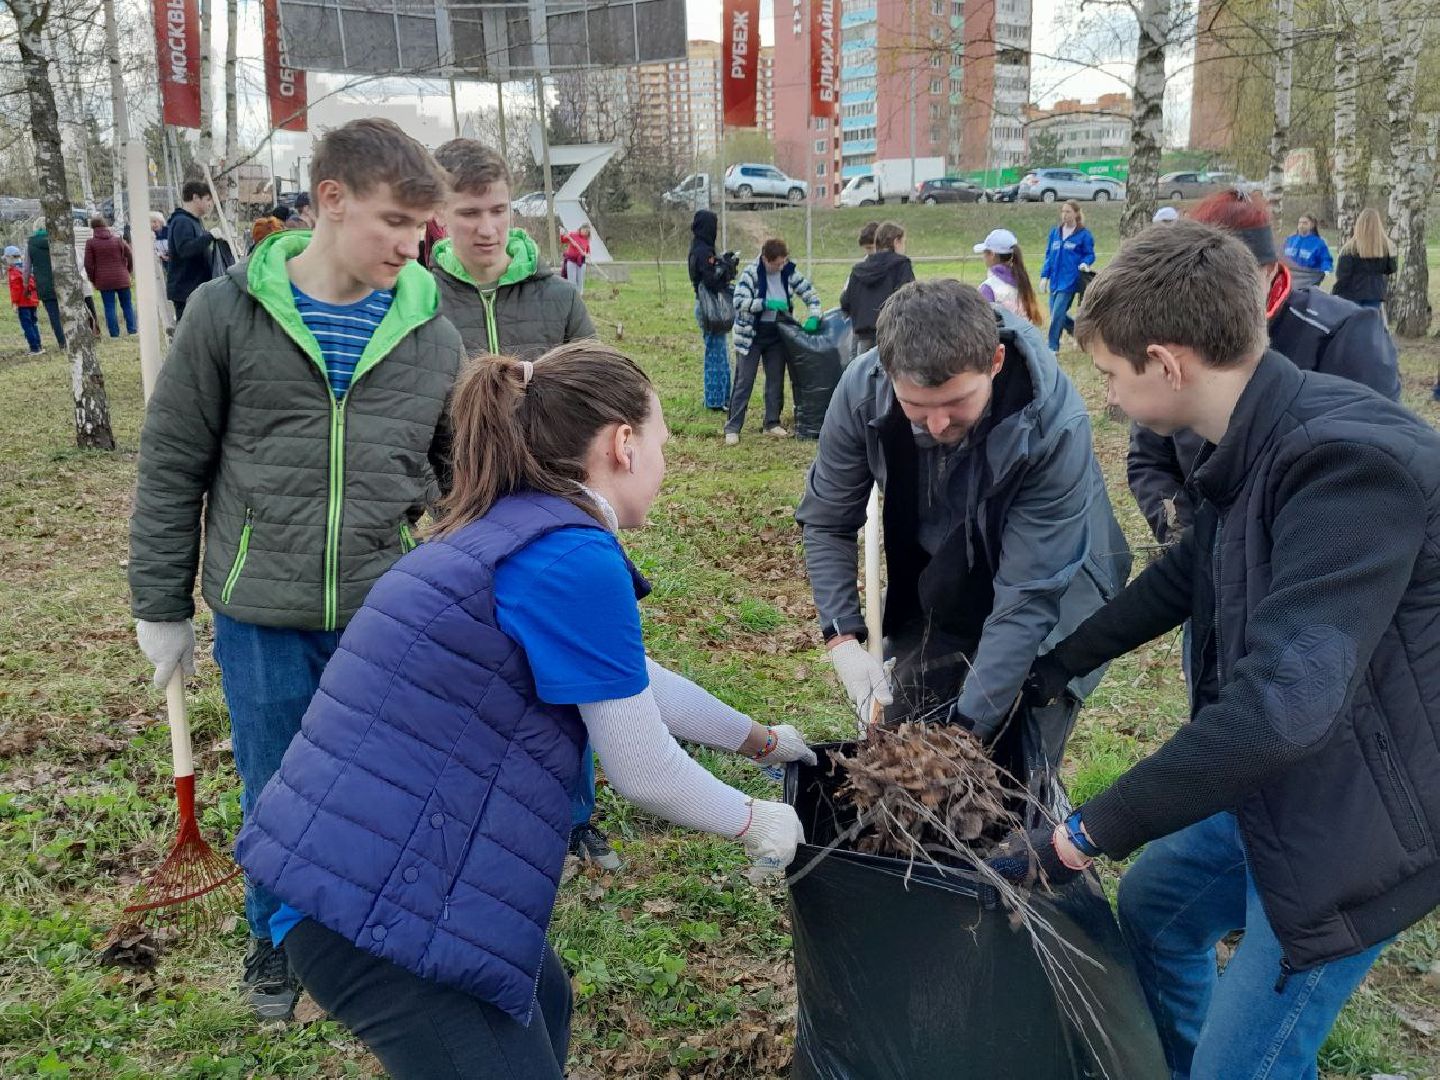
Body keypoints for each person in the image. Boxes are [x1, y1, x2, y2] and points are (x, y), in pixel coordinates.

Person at [235, 342, 812, 1080]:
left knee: (545, 998)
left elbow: (632, 682)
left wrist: (761, 742)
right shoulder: (572, 557)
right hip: (370, 907)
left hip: (363, 868)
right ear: (623, 444)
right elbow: (642, 769)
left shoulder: (513, 527)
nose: (667, 464)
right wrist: (754, 820)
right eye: (664, 443)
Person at [1008, 219, 1440, 1080]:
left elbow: (1280, 710)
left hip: (1362, 818)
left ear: (1166, 363)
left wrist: (1081, 836)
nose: (1110, 400)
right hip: (1288, 780)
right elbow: (1189, 572)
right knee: (1159, 909)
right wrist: (1056, 665)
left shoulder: (1348, 466)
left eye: (1112, 377)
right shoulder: (1257, 436)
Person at [128, 118, 464, 1021]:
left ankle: (365, 932)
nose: (411, 244)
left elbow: (453, 471)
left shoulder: (432, 332)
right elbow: (173, 464)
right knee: (280, 786)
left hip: (380, 607)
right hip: (260, 610)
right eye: (394, 221)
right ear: (331, 200)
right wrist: (160, 605)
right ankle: (279, 940)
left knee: (378, 780)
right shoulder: (226, 314)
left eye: (420, 227)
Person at [796, 279, 1130, 766]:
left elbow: (1026, 600)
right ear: (888, 371)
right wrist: (842, 636)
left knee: (1014, 742)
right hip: (944, 569)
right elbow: (828, 520)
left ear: (995, 361)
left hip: (1054, 582)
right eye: (917, 407)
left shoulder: (1052, 425)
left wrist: (964, 736)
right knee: (903, 731)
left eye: (957, 404)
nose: (936, 426)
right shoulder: (863, 390)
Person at [428, 138, 609, 864]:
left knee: (570, 662)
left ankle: (575, 814)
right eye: (468, 212)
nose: (487, 228)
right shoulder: (417, 304)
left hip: (554, 519)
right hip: (463, 520)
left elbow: (603, 397)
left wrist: (586, 497)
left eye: (499, 210)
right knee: (480, 667)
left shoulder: (556, 298)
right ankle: (488, 808)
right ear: (439, 215)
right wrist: (440, 504)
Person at [1126, 190, 1399, 546]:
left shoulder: (1341, 333)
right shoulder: (1171, 334)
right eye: (1196, 283)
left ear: (1268, 271)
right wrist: (1185, 537)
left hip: (1304, 545)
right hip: (1205, 544)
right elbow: (1149, 458)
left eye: (1234, 280)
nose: (1214, 299)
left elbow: (1372, 464)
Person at [725, 237, 822, 446]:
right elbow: (739, 301)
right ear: (765, 259)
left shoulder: (788, 271)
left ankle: (772, 423)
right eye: (777, 264)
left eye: (783, 262)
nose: (781, 267)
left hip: (777, 334)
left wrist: (814, 315)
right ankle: (732, 427)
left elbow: (810, 294)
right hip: (751, 335)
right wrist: (765, 303)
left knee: (775, 380)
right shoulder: (751, 273)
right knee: (744, 381)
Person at [840, 220, 915, 355]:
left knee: (864, 368)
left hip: (863, 336)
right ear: (896, 242)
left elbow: (845, 302)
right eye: (903, 242)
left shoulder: (858, 270)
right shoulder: (901, 265)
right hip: (891, 335)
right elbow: (908, 299)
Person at [688, 209, 738, 410]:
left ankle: (722, 397)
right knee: (716, 355)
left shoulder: (701, 249)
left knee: (720, 353)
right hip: (709, 308)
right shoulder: (702, 252)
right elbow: (711, 281)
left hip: (708, 307)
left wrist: (722, 262)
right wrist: (725, 268)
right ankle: (715, 401)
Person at [1039, 200, 1095, 353]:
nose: (1064, 215)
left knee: (1057, 314)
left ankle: (1052, 346)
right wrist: (1044, 276)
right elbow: (1049, 256)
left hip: (1070, 280)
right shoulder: (1055, 233)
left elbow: (1089, 254)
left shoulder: (1083, 235)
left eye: (1068, 212)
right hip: (1055, 280)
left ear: (1076, 214)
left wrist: (1085, 263)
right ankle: (1079, 333)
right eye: (1063, 211)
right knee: (1057, 314)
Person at [165, 180, 217, 321]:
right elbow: (185, 249)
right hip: (186, 289)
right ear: (195, 198)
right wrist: (209, 236)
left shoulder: (194, 221)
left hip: (194, 288)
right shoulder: (182, 221)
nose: (210, 204)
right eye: (207, 199)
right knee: (188, 330)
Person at [973, 227, 1043, 325]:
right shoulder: (1023, 281)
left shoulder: (988, 288)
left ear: (992, 254)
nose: (983, 256)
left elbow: (983, 324)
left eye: (984, 252)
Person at [1332, 207, 1397, 311]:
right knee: (1370, 320)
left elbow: (1342, 276)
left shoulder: (1350, 249)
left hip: (1351, 293)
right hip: (1375, 293)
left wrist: (1335, 292)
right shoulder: (1384, 249)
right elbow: (1391, 268)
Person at [83, 214, 136, 338]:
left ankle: (114, 333)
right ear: (105, 225)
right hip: (122, 277)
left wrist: (93, 279)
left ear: (92, 228)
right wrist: (128, 270)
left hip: (104, 280)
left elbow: (88, 264)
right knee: (127, 305)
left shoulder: (91, 243)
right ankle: (132, 330)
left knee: (109, 306)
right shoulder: (118, 240)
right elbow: (129, 255)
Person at [5, 244, 42, 354]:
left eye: (6, 257)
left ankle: (34, 348)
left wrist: (15, 303)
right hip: (32, 301)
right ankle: (39, 346)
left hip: (23, 303)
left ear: (11, 257)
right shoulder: (27, 268)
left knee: (27, 325)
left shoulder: (14, 272)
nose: (6, 260)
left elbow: (15, 290)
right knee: (34, 323)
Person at [1282, 212, 1333, 289]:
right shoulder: (1290, 240)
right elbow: (1281, 256)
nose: (1301, 225)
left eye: (1305, 223)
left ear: (1312, 225)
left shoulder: (1319, 243)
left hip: (1308, 283)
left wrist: (1325, 271)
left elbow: (1325, 260)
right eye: (1299, 223)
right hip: (1288, 281)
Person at [561, 222, 592, 294]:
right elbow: (563, 240)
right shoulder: (573, 235)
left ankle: (579, 295)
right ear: (580, 229)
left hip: (581, 261)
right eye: (584, 230)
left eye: (587, 231)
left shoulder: (586, 240)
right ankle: (573, 295)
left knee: (580, 280)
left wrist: (587, 255)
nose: (585, 232)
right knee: (572, 280)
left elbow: (588, 251)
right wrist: (562, 234)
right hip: (571, 260)